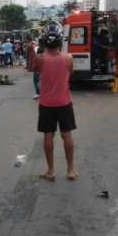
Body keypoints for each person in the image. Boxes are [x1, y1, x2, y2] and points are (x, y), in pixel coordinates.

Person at [35, 22, 78, 182]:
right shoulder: (69, 58)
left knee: (48, 136)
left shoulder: (40, 59)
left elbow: (37, 71)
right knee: (66, 135)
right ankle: (71, 170)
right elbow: (70, 73)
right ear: (60, 41)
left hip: (46, 104)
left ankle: (51, 171)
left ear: (44, 41)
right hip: (64, 102)